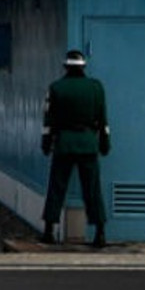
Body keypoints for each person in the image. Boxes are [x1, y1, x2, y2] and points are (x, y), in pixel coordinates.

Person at [40, 49, 111, 249]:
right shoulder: (96, 88)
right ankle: (100, 232)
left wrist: (46, 142)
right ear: (83, 67)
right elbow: (103, 119)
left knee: (56, 187)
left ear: (66, 66)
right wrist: (104, 142)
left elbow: (49, 120)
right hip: (88, 142)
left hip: (64, 142)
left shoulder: (56, 88)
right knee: (92, 189)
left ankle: (49, 230)